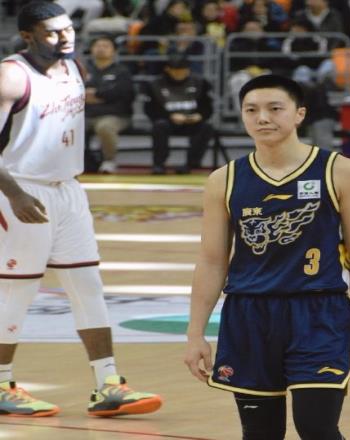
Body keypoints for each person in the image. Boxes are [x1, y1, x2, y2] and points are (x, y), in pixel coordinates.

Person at [184, 74, 350, 439]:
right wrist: (195, 333)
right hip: (248, 315)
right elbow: (212, 260)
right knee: (260, 433)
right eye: (251, 110)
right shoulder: (224, 179)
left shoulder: (342, 171)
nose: (262, 117)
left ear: (299, 114)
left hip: (318, 313)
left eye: (275, 108)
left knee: (316, 428)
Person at [0, 1, 162, 417]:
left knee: (87, 284)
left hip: (69, 190)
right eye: (52, 32)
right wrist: (15, 194)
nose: (65, 37)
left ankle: (108, 384)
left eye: (68, 28)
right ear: (27, 36)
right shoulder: (11, 76)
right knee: (17, 289)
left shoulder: (76, 68)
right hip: (22, 188)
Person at [144, 53, 214, 174]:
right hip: (168, 121)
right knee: (159, 125)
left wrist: (200, 115)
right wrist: (169, 116)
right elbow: (150, 109)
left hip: (192, 120)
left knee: (206, 127)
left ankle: (191, 164)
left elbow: (208, 106)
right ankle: (159, 164)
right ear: (168, 69)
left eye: (182, 70)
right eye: (175, 70)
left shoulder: (201, 83)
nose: (179, 74)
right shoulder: (155, 84)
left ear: (188, 69)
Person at [85, 35, 135, 174]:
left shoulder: (122, 71)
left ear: (114, 51)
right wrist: (104, 95)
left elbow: (123, 95)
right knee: (68, 126)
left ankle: (109, 160)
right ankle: (76, 161)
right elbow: (77, 92)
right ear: (91, 49)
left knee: (105, 126)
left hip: (115, 115)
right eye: (98, 46)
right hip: (87, 114)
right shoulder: (84, 70)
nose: (101, 49)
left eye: (106, 46)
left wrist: (97, 94)